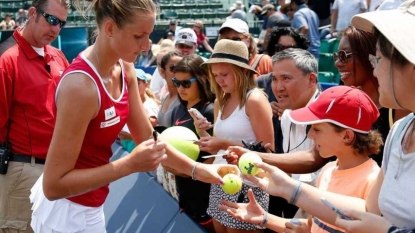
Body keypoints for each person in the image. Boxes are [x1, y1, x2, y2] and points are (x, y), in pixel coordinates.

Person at [29, 1, 239, 232]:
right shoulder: (80, 86)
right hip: (66, 213)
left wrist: (199, 171)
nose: (147, 46)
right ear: (109, 29)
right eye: (139, 36)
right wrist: (128, 165)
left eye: (148, 35)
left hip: (91, 205)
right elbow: (54, 186)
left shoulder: (125, 66)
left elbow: (149, 139)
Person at [226, 1, 415, 231]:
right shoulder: (401, 130)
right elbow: (368, 210)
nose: (337, 62)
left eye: (380, 59)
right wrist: (287, 189)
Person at [220, 86, 382, 233]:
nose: (310, 135)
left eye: (317, 129)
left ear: (347, 136)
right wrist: (264, 218)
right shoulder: (328, 170)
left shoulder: (373, 182)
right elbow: (311, 227)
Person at [0, 1, 70, 232]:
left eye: (62, 23)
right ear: (32, 14)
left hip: (58, 172)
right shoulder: (7, 60)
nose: (56, 29)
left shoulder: (59, 56)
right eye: (51, 20)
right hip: (22, 170)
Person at [195, 39, 274, 233]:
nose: (220, 80)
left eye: (225, 74)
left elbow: (269, 152)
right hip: (221, 181)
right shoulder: (221, 100)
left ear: (243, 72)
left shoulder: (255, 100)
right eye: (215, 75)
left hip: (249, 187)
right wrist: (201, 131)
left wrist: (224, 143)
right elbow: (217, 147)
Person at [334, 25, 409, 166]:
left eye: (344, 56)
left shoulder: (398, 108)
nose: (337, 63)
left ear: (369, 57)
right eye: (337, 56)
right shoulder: (345, 99)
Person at [168, 54, 216, 232]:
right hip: (184, 191)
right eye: (176, 82)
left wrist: (191, 171)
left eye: (186, 83)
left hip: (206, 194)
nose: (180, 87)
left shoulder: (210, 111)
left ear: (202, 80)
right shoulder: (177, 110)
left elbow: (214, 157)